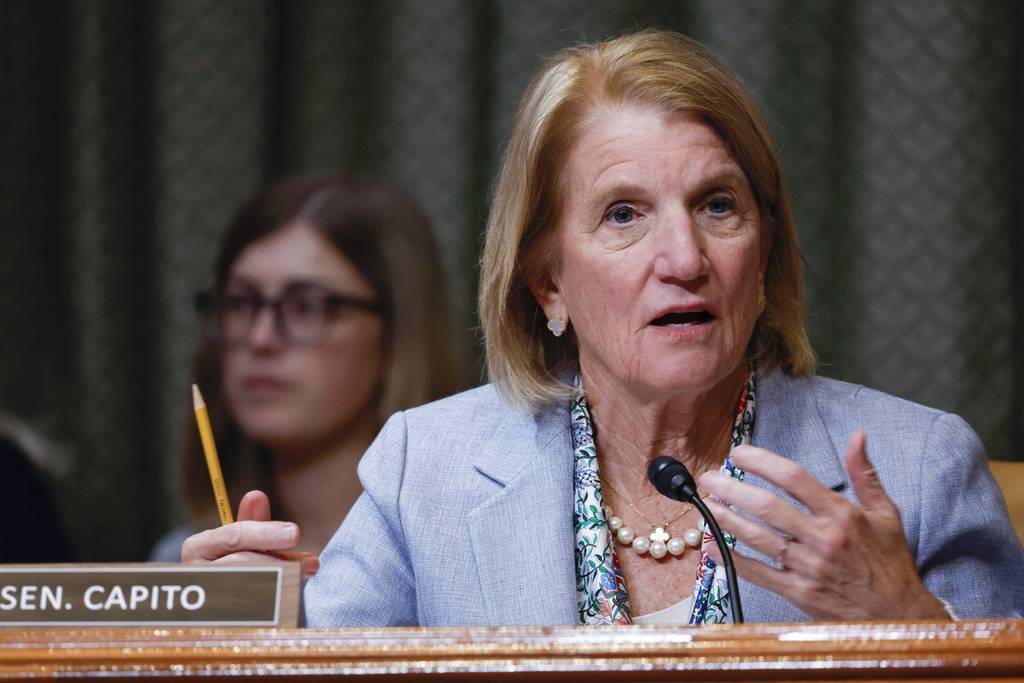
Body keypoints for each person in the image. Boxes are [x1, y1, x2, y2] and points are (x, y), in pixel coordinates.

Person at [182, 31, 1023, 624]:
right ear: (548, 280)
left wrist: (906, 618)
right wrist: (229, 629)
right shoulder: (426, 472)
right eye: (624, 214)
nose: (684, 257)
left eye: (717, 205)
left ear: (763, 258)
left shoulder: (919, 471)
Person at [152, 172, 459, 565]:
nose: (261, 338)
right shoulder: (182, 560)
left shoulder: (450, 566)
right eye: (242, 303)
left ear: (397, 333)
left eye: (307, 306)